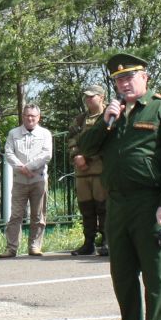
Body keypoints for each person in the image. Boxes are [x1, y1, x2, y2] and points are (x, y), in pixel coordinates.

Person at [76, 53, 161, 320]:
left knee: (154, 273)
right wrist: (107, 122)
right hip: (118, 202)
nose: (124, 84)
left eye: (129, 77)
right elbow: (86, 148)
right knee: (122, 273)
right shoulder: (113, 115)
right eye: (119, 80)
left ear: (145, 77)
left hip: (149, 202)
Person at [3, 103, 53, 258]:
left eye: (33, 116)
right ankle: (11, 248)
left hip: (38, 179)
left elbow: (47, 154)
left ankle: (34, 246)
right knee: (15, 215)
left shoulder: (45, 134)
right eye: (27, 115)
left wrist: (30, 167)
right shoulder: (13, 133)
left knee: (38, 215)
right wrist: (21, 168)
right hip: (19, 180)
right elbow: (8, 152)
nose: (30, 118)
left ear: (38, 118)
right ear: (23, 116)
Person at [69, 85, 110, 257]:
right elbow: (71, 140)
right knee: (86, 208)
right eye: (86, 97)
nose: (88, 99)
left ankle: (108, 241)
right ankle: (89, 242)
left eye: (91, 96)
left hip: (102, 170)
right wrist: (77, 156)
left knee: (104, 208)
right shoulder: (79, 120)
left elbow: (109, 142)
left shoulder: (109, 116)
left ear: (101, 97)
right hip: (82, 172)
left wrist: (88, 157)